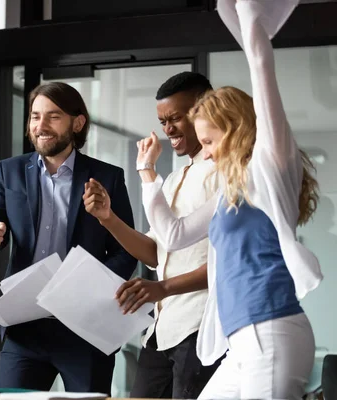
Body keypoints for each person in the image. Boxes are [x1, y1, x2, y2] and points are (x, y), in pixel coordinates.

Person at [135, 1, 322, 398]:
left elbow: (261, 67)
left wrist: (250, 19)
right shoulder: (229, 194)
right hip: (240, 343)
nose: (208, 152)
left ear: (235, 128)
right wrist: (147, 172)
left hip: (271, 331)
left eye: (210, 141)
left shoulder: (271, 166)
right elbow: (175, 232)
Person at [0, 82, 137, 394]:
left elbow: (126, 250)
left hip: (85, 327)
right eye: (35, 117)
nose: (41, 126)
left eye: (53, 116)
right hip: (23, 327)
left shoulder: (107, 177)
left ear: (78, 123)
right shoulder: (8, 171)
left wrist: (90, 288)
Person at [83, 72, 221, 399]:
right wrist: (108, 218)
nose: (167, 129)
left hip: (199, 327)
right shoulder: (172, 179)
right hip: (160, 331)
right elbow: (156, 254)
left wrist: (161, 288)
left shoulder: (224, 175)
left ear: (205, 111)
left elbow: (224, 264)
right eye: (162, 121)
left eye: (175, 118)